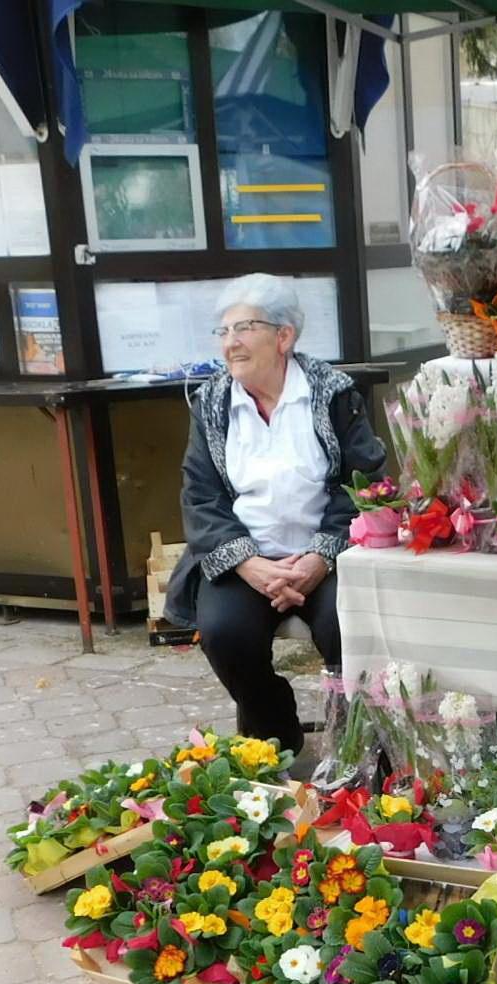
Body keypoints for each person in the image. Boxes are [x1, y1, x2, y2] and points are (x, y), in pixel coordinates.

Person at [168, 274, 386, 753]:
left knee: (347, 627)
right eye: (224, 332)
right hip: (246, 560)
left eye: (243, 328)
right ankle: (272, 735)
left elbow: (364, 482)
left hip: (329, 557)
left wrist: (320, 557)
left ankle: (363, 749)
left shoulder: (333, 395)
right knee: (226, 634)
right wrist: (250, 564)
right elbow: (200, 496)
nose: (231, 344)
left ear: (284, 336)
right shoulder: (212, 404)